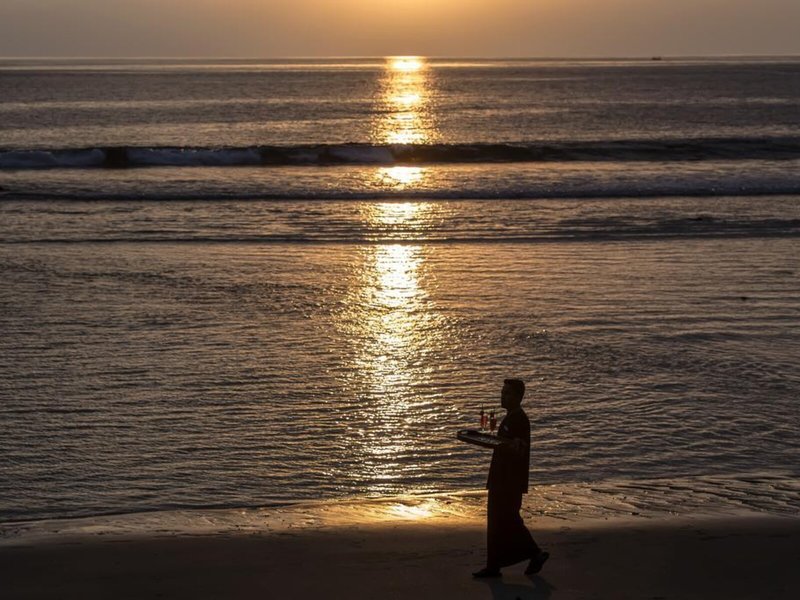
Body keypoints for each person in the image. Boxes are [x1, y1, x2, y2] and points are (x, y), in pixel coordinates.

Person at [472, 378, 549, 578]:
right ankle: (495, 565)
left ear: (517, 397)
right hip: (501, 478)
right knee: (499, 520)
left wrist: (499, 444)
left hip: (509, 481)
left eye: (507, 393)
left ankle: (534, 553)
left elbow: (518, 448)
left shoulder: (519, 420)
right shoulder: (510, 418)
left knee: (508, 519)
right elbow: (504, 443)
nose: (502, 396)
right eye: (502, 392)